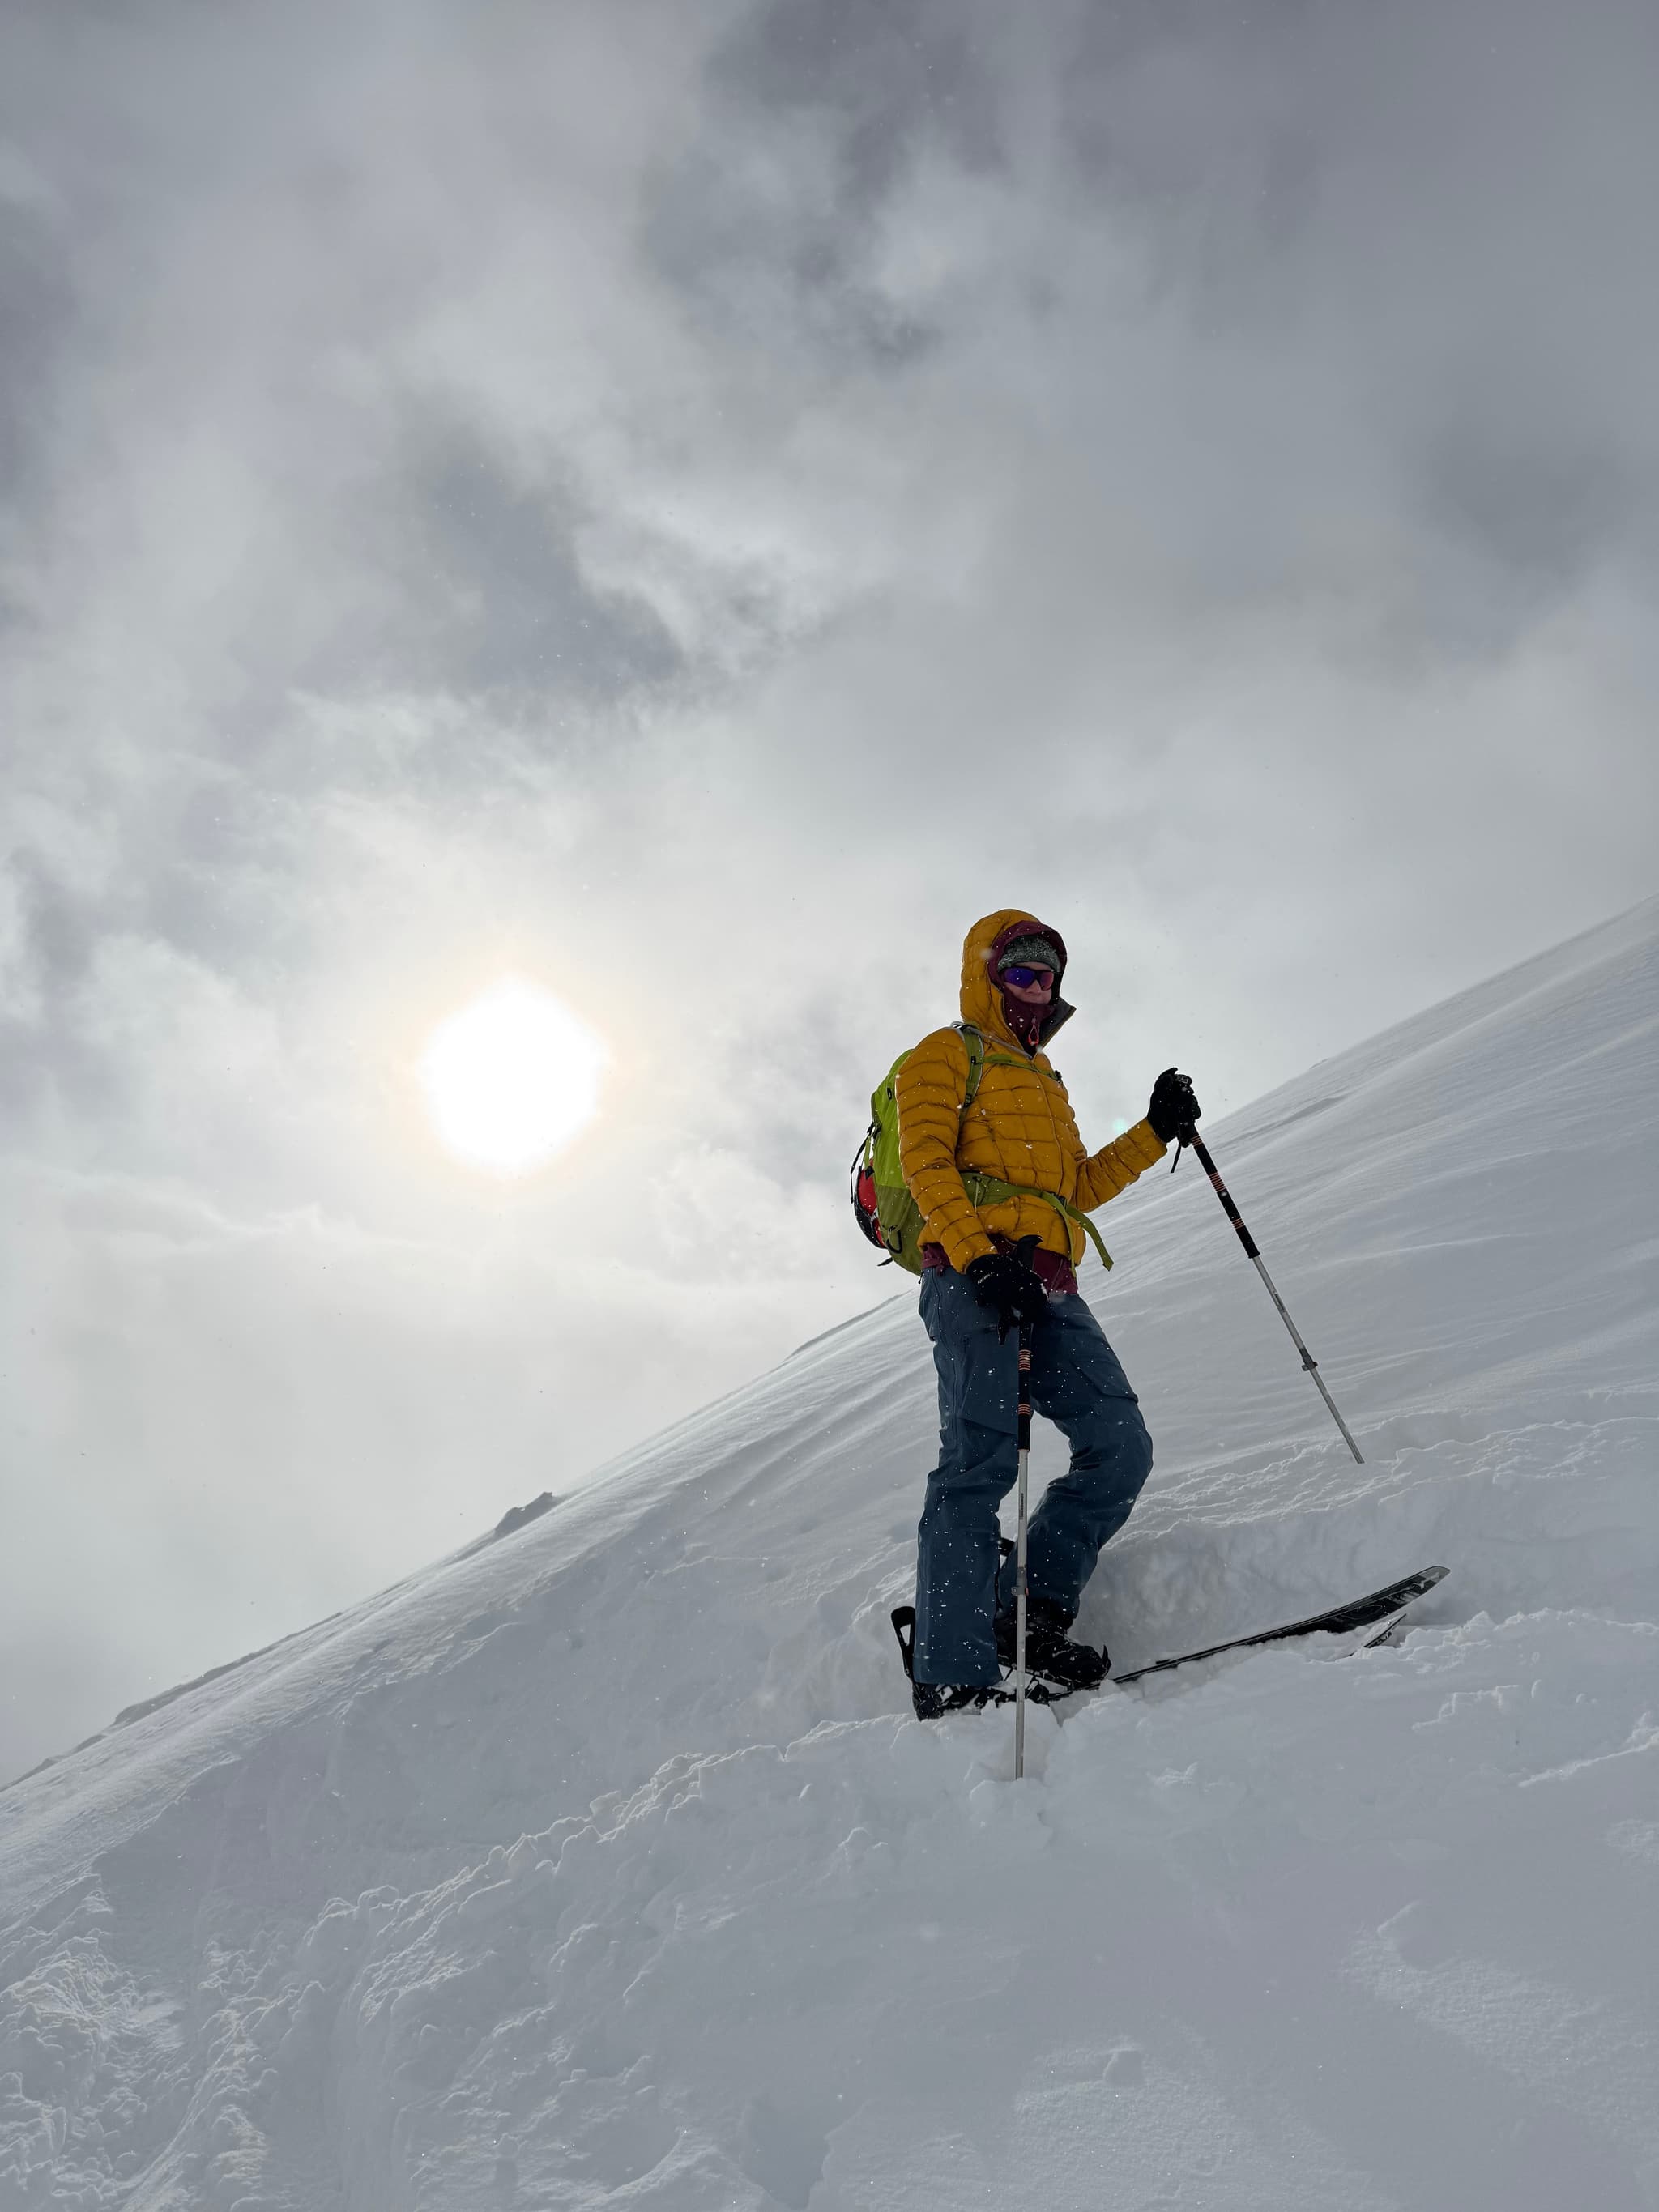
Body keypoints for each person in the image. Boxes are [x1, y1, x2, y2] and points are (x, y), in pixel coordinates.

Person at [896, 909, 1200, 1718]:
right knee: (978, 1466)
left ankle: (1021, 1615)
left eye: (1047, 977)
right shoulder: (943, 1055)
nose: (1037, 989)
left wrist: (1151, 1131)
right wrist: (979, 1257)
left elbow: (1072, 1193)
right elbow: (923, 1161)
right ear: (986, 979)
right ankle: (952, 1671)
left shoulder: (1047, 1082)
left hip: (1050, 1283)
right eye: (1020, 974)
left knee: (1118, 1444)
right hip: (972, 1279)